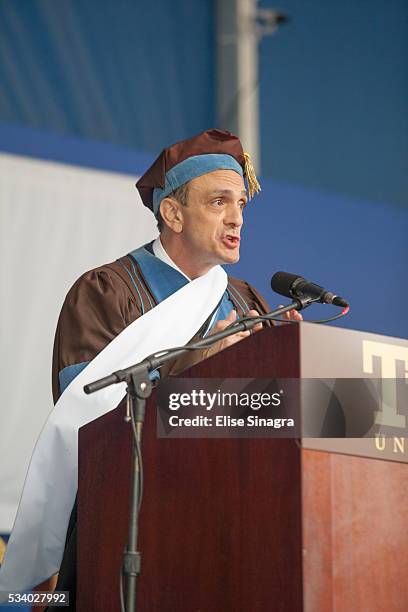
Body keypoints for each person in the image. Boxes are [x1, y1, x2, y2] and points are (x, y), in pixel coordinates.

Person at [1, 129, 301, 609]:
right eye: (219, 201)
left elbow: (267, 416)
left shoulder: (246, 303)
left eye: (242, 203)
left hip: (232, 526)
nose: (237, 218)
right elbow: (89, 420)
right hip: (127, 525)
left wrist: (290, 360)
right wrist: (196, 366)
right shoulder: (106, 291)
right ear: (172, 213)